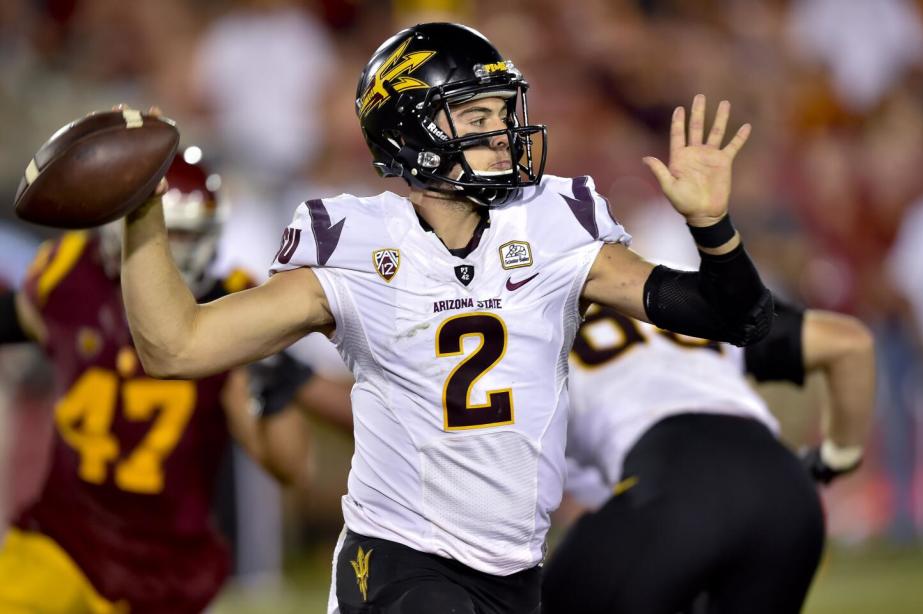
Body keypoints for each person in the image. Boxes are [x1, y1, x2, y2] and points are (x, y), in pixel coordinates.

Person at [120, 22, 772, 614]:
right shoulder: (354, 242)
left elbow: (731, 316)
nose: (500, 132)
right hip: (401, 562)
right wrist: (140, 217)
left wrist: (710, 226)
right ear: (408, 131)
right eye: (474, 114)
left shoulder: (550, 223)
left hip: (514, 570)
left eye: (501, 111)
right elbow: (177, 347)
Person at [0, 151, 323, 614]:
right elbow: (15, 319)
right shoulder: (71, 273)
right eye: (163, 232)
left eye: (188, 236)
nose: (172, 252)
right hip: (64, 541)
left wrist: (271, 379)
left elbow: (292, 469)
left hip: (167, 568)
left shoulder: (227, 305)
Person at [542, 300, 875, 614]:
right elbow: (850, 344)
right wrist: (833, 460)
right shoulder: (678, 287)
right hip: (786, 491)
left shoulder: (529, 328)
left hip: (673, 488)